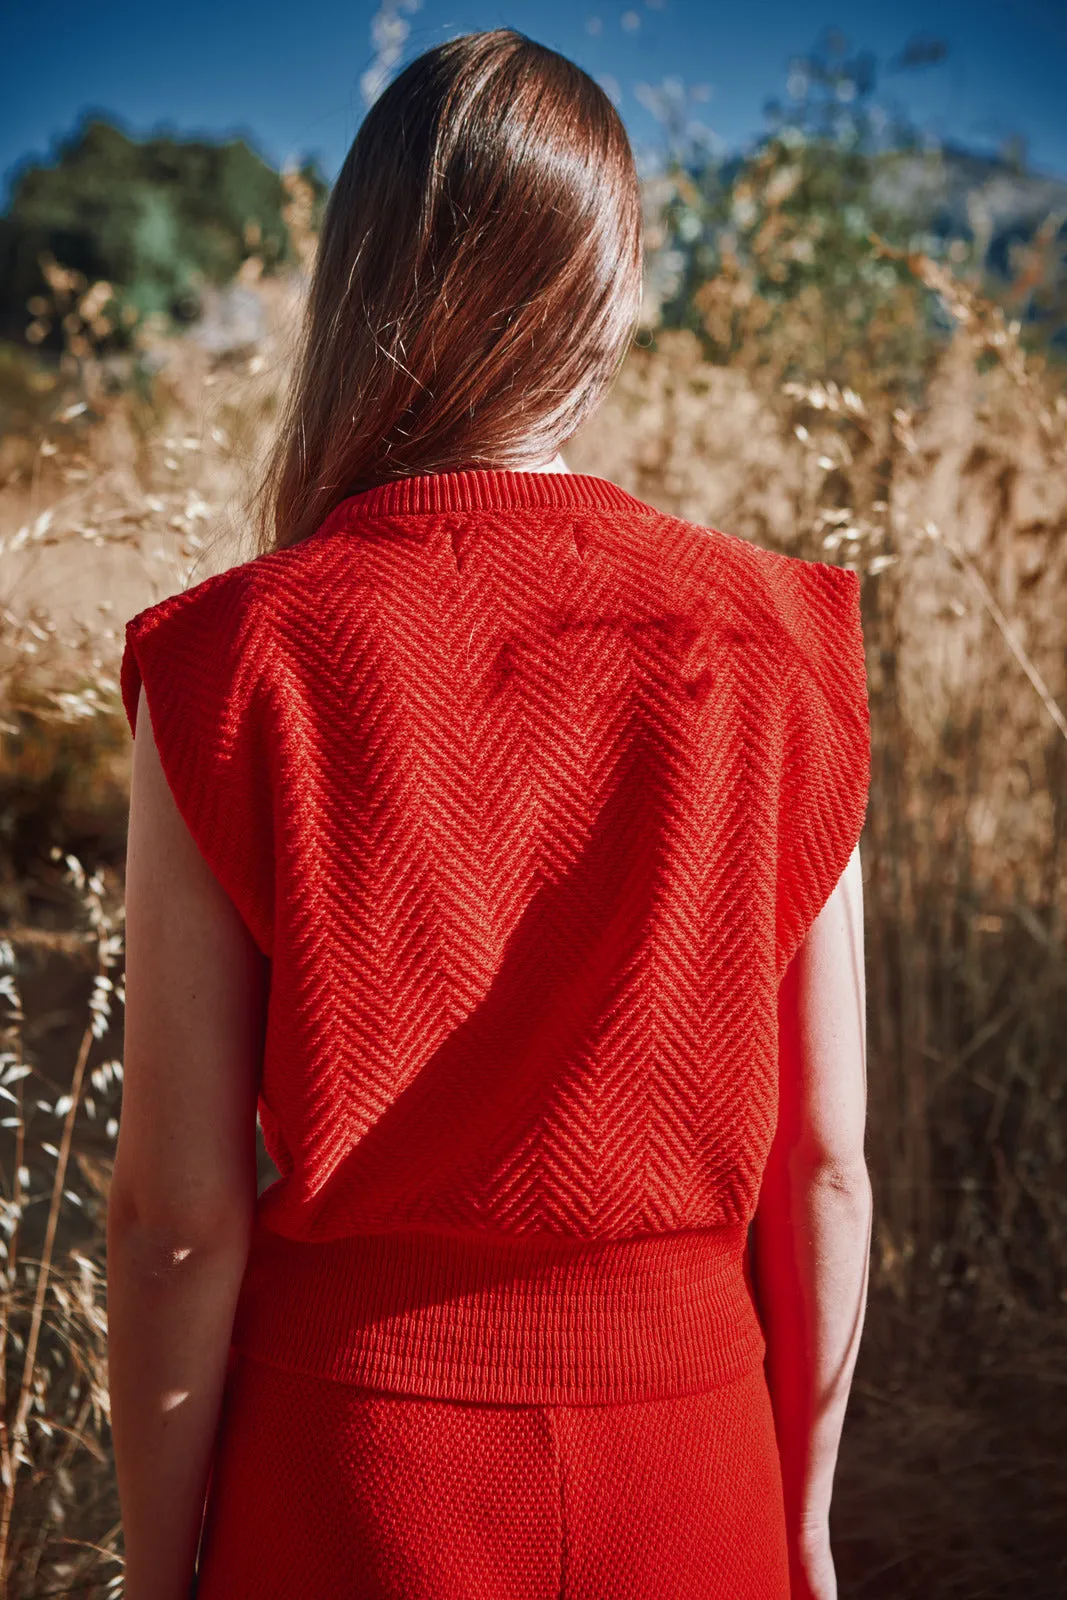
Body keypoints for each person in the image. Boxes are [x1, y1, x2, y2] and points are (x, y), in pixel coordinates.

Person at [106, 27, 873, 1600]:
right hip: (694, 1460)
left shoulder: (229, 657)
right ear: (612, 297)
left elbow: (176, 1217)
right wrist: (800, 1518)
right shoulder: (779, 642)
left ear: (359, 285)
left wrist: (153, 1548)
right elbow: (824, 1168)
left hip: (350, 1475)